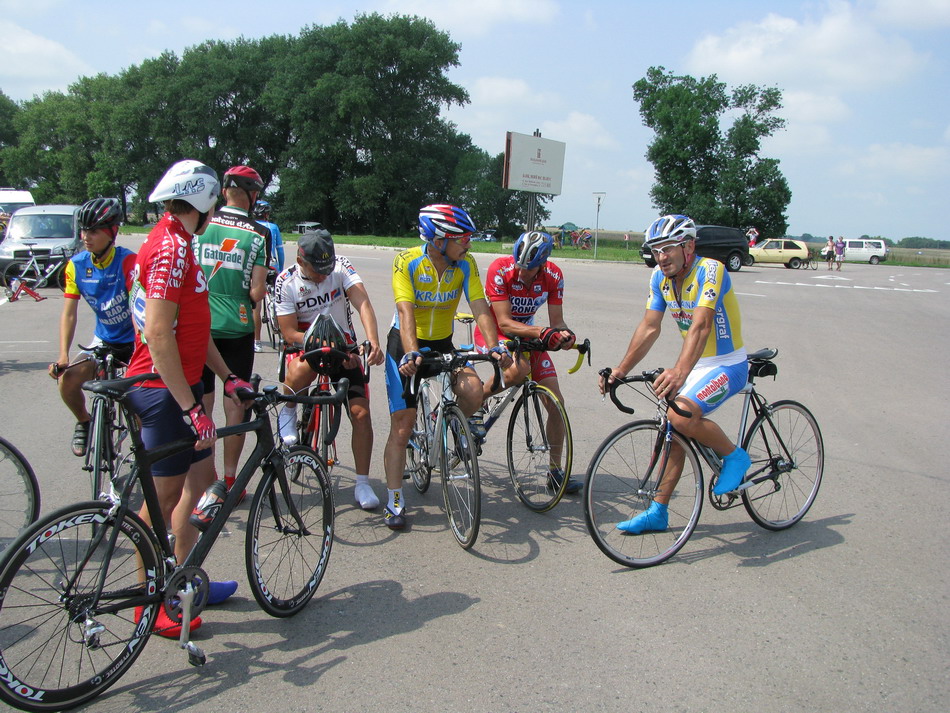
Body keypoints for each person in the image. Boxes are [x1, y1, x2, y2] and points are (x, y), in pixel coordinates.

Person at [126, 160, 253, 636]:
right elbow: (159, 334)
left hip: (181, 386)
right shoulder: (169, 249)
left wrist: (228, 377)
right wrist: (189, 407)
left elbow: (194, 329)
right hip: (163, 392)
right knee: (159, 504)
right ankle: (149, 604)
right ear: (199, 202)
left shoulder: (180, 242)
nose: (214, 213)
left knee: (198, 486)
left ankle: (184, 581)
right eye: (212, 205)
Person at [601, 214, 750, 534]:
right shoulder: (659, 278)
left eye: (668, 248)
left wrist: (680, 371)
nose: (661, 257)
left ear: (689, 246)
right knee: (673, 428)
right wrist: (621, 370)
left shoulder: (711, 270)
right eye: (656, 250)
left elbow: (702, 325)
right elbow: (649, 327)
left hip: (728, 364)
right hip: (697, 364)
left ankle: (735, 457)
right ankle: (658, 511)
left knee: (680, 415)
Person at [382, 204, 511, 530]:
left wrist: (494, 346)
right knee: (402, 426)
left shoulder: (466, 263)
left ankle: (447, 420)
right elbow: (405, 310)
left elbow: (479, 306)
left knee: (473, 391)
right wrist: (412, 354)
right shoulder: (407, 261)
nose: (469, 243)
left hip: (442, 342)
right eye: (463, 238)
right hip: (406, 345)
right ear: (439, 240)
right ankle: (394, 498)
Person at [273, 229, 384, 510]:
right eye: (317, 271)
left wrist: (372, 340)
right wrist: (323, 343)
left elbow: (363, 303)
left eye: (327, 269)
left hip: (344, 348)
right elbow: (288, 332)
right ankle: (288, 410)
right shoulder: (286, 281)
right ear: (301, 260)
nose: (324, 276)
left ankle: (362, 483)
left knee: (361, 414)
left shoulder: (341, 266)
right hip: (307, 344)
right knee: (300, 371)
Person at [473, 230, 582, 494]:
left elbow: (557, 322)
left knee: (556, 404)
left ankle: (555, 472)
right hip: (495, 332)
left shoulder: (554, 275)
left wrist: (565, 336)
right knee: (520, 370)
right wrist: (543, 332)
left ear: (542, 265)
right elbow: (504, 322)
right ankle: (477, 400)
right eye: (519, 265)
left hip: (529, 334)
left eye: (529, 269)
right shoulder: (500, 269)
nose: (522, 272)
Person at [192, 165, 269, 500]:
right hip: (237, 326)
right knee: (236, 403)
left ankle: (205, 482)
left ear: (224, 192)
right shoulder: (259, 233)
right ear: (252, 196)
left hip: (201, 324)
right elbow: (256, 292)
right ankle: (230, 481)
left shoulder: (202, 223)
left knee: (202, 406)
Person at [48, 197, 136, 456]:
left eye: (94, 231)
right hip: (104, 339)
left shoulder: (129, 262)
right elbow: (69, 314)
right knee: (67, 380)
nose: (86, 237)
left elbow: (142, 310)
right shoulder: (75, 266)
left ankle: (145, 452)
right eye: (84, 230)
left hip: (134, 339)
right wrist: (63, 356)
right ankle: (84, 421)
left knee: (141, 401)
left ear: (112, 232)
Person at [252, 199, 285, 352]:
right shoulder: (273, 227)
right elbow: (280, 251)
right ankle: (284, 337)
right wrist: (281, 270)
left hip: (256, 268)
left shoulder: (250, 226)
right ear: (266, 214)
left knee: (256, 307)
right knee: (279, 301)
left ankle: (257, 342)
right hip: (272, 266)